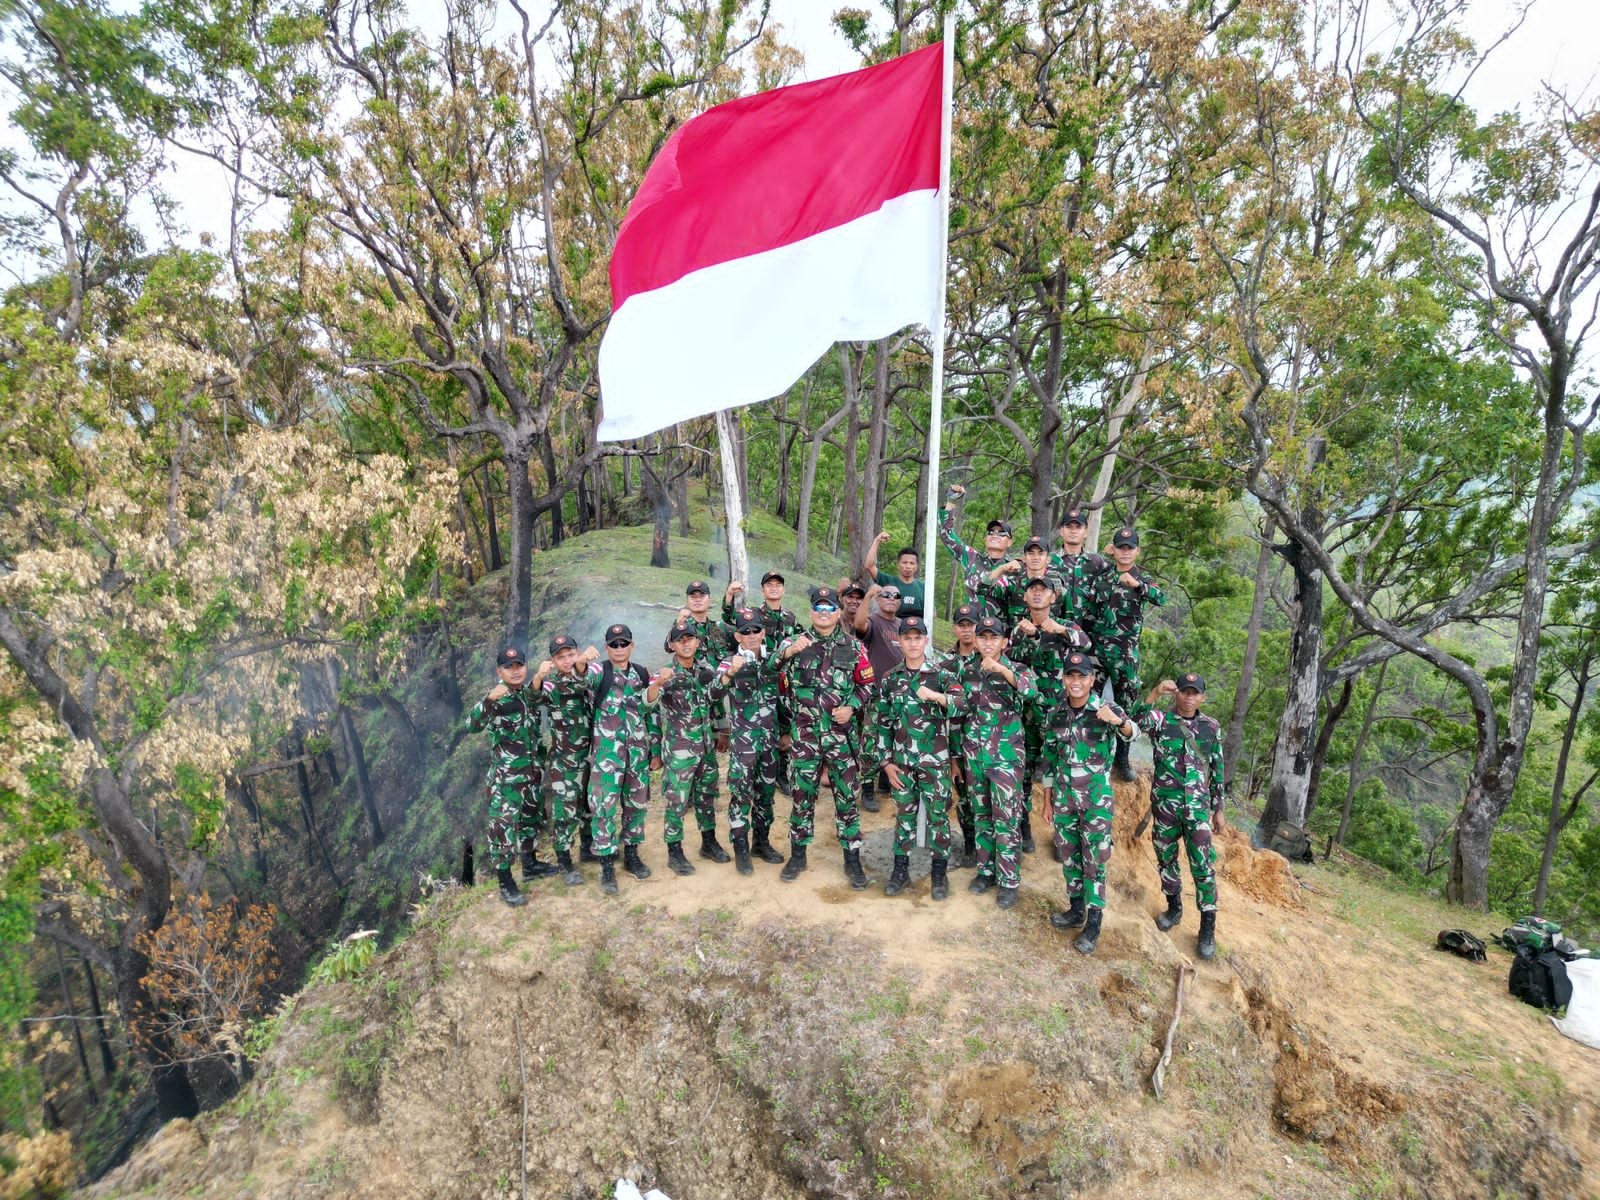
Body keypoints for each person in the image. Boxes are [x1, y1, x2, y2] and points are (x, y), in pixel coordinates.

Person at [774, 586, 873, 888]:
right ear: (811, 612)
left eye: (830, 608)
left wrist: (852, 707)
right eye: (818, 607)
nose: (824, 613)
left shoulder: (853, 647)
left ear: (838, 612)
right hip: (804, 738)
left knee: (847, 799)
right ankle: (798, 855)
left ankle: (852, 861)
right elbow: (771, 673)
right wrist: (787, 653)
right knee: (802, 797)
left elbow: (867, 685)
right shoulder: (794, 643)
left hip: (841, 739)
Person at [1045, 652, 1137, 955]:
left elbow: (1133, 733)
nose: (1075, 681)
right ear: (1063, 678)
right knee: (1069, 856)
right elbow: (1049, 760)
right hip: (1063, 799)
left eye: (1081, 676)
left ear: (1091, 680)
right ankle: (1075, 910)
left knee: (1094, 862)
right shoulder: (1055, 713)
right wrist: (1047, 800)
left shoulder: (1105, 709)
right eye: (1070, 675)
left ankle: (1093, 923)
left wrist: (1120, 721)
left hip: (1096, 802)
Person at [1136, 673, 1226, 960]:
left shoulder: (1211, 727)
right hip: (1165, 807)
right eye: (1184, 691)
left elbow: (1218, 767)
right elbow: (1134, 722)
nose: (1188, 697)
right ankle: (1174, 908)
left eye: (1194, 693)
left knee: (1203, 866)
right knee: (1166, 859)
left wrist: (1219, 809)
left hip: (1197, 809)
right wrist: (1155, 692)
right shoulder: (1162, 722)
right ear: (1176, 693)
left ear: (1202, 697)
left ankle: (1207, 928)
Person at [868, 616, 958, 899]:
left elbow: (963, 706)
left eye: (918, 637)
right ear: (900, 641)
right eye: (907, 637)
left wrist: (937, 697)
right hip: (902, 765)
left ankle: (939, 874)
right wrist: (885, 763)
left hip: (935, 764)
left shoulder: (942, 675)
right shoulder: (891, 678)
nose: (913, 643)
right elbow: (880, 723)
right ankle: (900, 871)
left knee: (938, 819)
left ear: (926, 641)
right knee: (903, 819)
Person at [949, 615, 1035, 908]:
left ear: (1004, 642)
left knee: (1007, 819)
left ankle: (1009, 881)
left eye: (993, 638)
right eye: (983, 637)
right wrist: (956, 756)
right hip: (975, 756)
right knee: (982, 815)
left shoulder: (1017, 669)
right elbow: (957, 713)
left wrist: (1001, 669)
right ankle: (986, 872)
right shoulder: (967, 670)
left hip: (1006, 758)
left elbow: (1031, 692)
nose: (987, 642)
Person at [466, 644, 557, 907]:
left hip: (531, 772)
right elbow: (471, 726)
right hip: (506, 778)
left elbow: (538, 694)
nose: (515, 671)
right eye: (509, 667)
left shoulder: (526, 694)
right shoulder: (495, 698)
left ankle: (530, 865)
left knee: (530, 819)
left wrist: (539, 676)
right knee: (502, 828)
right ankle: (505, 880)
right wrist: (488, 701)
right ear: (500, 671)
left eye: (519, 666)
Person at [1004, 576, 1091, 850]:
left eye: (1044, 590)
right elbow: (1009, 659)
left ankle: (1062, 833)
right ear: (1026, 597)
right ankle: (1024, 828)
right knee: (1025, 771)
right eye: (1033, 590)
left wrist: (1061, 632)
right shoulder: (1018, 628)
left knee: (1064, 771)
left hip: (1061, 714)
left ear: (1054, 598)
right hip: (1027, 713)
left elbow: (1086, 645)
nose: (1038, 594)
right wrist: (1030, 637)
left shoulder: (1065, 626)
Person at [587, 623, 661, 895]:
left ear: (632, 646)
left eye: (624, 643)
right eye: (614, 644)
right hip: (607, 756)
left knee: (636, 805)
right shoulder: (599, 672)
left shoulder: (641, 673)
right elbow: (581, 678)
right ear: (607, 647)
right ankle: (607, 864)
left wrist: (655, 748)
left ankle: (631, 853)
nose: (619, 648)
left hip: (637, 755)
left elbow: (651, 712)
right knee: (603, 808)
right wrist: (582, 662)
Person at [1089, 526, 1166, 781]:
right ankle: (1092, 753)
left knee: (1126, 703)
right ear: (1114, 550)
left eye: (1129, 548)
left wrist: (1138, 586)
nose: (1125, 552)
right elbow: (1089, 610)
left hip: (1125, 655)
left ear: (1136, 551)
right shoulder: (1102, 577)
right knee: (1092, 701)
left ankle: (1122, 757)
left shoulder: (1141, 578)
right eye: (1120, 547)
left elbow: (1161, 598)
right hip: (1098, 652)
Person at [654, 621, 730, 874]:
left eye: (690, 638)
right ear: (673, 645)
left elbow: (716, 701)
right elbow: (649, 710)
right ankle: (674, 851)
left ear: (698, 642)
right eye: (680, 640)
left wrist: (722, 730)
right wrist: (655, 750)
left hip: (706, 746)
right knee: (677, 800)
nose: (686, 643)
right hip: (680, 750)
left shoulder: (706, 669)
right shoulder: (665, 673)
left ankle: (708, 842)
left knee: (707, 796)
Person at [716, 608, 787, 873]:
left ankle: (761, 842)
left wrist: (786, 731)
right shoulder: (729, 662)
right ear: (737, 636)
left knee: (766, 796)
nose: (751, 635)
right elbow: (713, 693)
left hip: (769, 743)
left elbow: (782, 699)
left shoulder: (773, 662)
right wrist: (729, 674)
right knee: (741, 795)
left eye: (756, 630)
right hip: (744, 746)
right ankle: (741, 849)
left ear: (763, 632)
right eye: (745, 632)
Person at [530, 635, 601, 887]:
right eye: (561, 657)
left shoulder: (591, 674)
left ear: (578, 652)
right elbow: (532, 698)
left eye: (571, 654)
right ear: (553, 661)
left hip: (591, 756)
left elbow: (590, 681)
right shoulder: (550, 685)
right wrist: (538, 677)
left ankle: (589, 846)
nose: (567, 660)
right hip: (565, 762)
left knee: (589, 805)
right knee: (565, 812)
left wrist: (583, 666)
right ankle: (564, 860)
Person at [937, 483, 1014, 617]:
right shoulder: (972, 558)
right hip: (972, 630)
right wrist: (951, 501)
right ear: (985, 538)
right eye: (991, 532)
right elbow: (947, 535)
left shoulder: (1014, 569)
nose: (995, 535)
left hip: (999, 634)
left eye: (1001, 533)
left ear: (1010, 542)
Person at [945, 603, 983, 868]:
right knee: (965, 799)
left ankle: (986, 849)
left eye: (971, 624)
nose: (966, 629)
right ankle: (970, 844)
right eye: (962, 624)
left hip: (986, 746)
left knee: (986, 801)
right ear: (955, 628)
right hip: (956, 745)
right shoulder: (945, 664)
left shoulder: (988, 661)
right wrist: (951, 755)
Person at [974, 535, 1065, 630]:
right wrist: (1001, 568)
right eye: (1031, 553)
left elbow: (1068, 615)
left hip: (1049, 641)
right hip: (1017, 639)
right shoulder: (1013, 582)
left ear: (1048, 559)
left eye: (1040, 553)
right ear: (1024, 558)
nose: (1035, 557)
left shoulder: (1056, 584)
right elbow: (981, 590)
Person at [1050, 507, 1111, 631]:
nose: (1073, 531)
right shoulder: (1048, 561)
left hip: (1089, 631)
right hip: (1055, 630)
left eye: (1078, 527)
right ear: (1061, 531)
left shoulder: (1098, 562)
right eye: (1069, 527)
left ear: (1086, 532)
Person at [864, 531, 926, 617]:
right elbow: (869, 566)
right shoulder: (888, 581)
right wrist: (877, 541)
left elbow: (931, 613)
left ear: (917, 566)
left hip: (916, 628)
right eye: (904, 562)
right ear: (898, 565)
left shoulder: (923, 587)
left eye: (912, 563)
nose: (908, 566)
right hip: (891, 627)